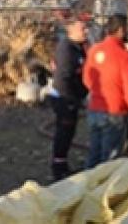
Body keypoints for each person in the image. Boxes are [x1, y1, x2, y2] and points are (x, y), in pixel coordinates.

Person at [81, 14, 128, 169]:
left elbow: (87, 79)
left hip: (95, 108)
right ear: (121, 30)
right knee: (110, 160)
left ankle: (86, 187)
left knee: (94, 154)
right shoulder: (124, 56)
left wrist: (98, 91)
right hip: (115, 110)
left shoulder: (94, 51)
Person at [49, 17, 88, 180]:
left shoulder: (78, 48)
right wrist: (71, 100)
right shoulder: (66, 49)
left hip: (72, 96)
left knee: (69, 132)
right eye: (82, 29)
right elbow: (64, 77)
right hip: (65, 98)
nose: (85, 32)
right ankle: (58, 167)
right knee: (64, 132)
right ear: (71, 30)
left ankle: (62, 163)